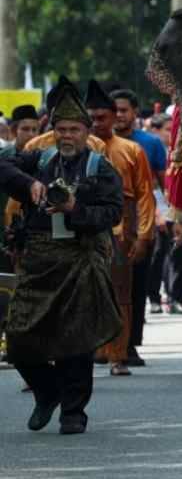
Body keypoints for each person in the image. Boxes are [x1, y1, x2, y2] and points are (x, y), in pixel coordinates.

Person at [0, 80, 123, 434]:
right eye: (61, 129)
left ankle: (73, 411)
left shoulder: (100, 168)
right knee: (19, 337)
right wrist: (29, 185)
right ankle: (46, 391)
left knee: (76, 340)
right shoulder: (37, 160)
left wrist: (75, 209)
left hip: (80, 258)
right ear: (52, 131)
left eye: (74, 129)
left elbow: (112, 214)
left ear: (87, 132)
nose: (67, 136)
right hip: (39, 260)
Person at [85, 80, 156, 376]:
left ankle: (118, 354)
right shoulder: (78, 147)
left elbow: (144, 195)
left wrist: (143, 235)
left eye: (102, 117)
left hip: (120, 227)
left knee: (121, 293)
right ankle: (90, 350)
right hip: (85, 224)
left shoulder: (131, 149)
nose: (96, 123)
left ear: (115, 117)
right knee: (85, 292)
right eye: (91, 117)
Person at [109, 88, 169, 362]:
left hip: (139, 221)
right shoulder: (96, 143)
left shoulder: (150, 144)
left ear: (134, 113)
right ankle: (105, 345)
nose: (119, 115)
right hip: (104, 225)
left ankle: (130, 344)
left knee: (136, 285)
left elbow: (161, 183)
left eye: (124, 110)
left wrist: (164, 217)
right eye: (115, 111)